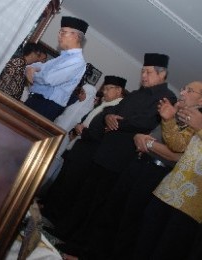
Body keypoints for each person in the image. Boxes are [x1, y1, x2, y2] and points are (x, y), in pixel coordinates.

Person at [43, 53, 177, 250]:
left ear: (162, 74)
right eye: (142, 72)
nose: (143, 76)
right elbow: (109, 111)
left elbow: (147, 121)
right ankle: (64, 231)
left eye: (148, 72)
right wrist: (108, 118)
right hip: (103, 153)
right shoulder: (137, 94)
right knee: (84, 197)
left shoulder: (167, 98)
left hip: (120, 160)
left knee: (99, 206)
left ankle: (78, 244)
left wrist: (118, 121)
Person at [65, 82, 202, 260]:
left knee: (133, 230)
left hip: (172, 186)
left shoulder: (196, 119)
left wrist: (150, 143)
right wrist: (168, 120)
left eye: (188, 90)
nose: (182, 92)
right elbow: (177, 144)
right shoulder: (183, 114)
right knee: (114, 213)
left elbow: (176, 154)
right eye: (184, 88)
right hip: (158, 180)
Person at [39, 75, 127, 228]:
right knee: (62, 181)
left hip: (88, 154)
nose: (104, 92)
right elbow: (85, 121)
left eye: (107, 89)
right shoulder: (104, 105)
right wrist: (78, 127)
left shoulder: (115, 109)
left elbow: (100, 134)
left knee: (69, 186)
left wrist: (83, 131)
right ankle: (45, 211)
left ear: (119, 91)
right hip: (78, 148)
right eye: (104, 88)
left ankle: (53, 219)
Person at [133, 104, 202, 259]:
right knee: (143, 243)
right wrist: (169, 120)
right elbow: (177, 146)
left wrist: (200, 128)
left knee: (165, 251)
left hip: (191, 206)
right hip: (167, 191)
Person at [38, 77, 96, 196]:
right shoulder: (76, 104)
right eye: (80, 92)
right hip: (55, 136)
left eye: (83, 93)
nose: (80, 95)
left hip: (65, 141)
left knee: (53, 163)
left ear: (89, 95)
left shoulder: (87, 111)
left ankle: (41, 190)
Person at [24, 16, 89, 121]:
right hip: (37, 100)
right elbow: (41, 66)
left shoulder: (77, 61)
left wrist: (32, 73)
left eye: (63, 32)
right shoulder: (63, 57)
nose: (59, 35)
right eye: (60, 32)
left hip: (46, 106)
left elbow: (49, 79)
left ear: (76, 36)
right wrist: (30, 68)